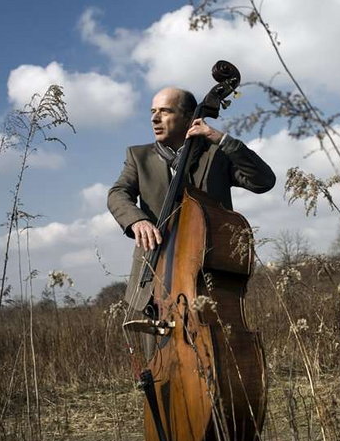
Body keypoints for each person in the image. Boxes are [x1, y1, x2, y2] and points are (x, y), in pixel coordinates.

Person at [107, 86, 276, 358]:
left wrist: (221, 139)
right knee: (159, 365)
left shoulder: (216, 153)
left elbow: (263, 181)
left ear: (188, 118)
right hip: (156, 275)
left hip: (207, 272)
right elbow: (118, 194)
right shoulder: (138, 156)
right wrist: (137, 220)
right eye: (153, 112)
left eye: (165, 111)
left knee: (215, 356)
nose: (154, 118)